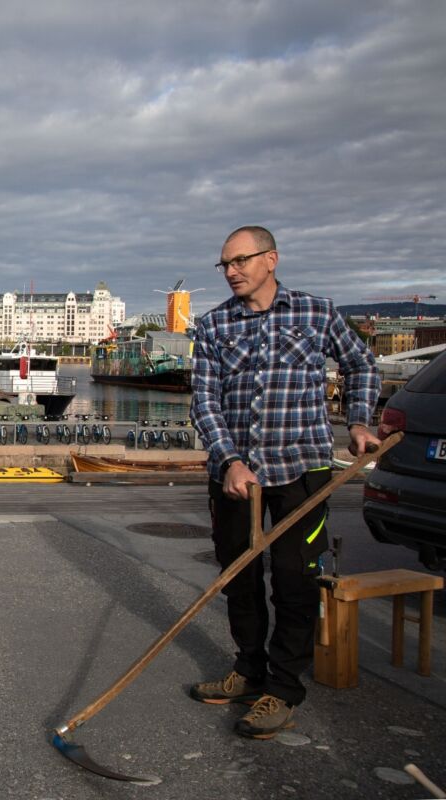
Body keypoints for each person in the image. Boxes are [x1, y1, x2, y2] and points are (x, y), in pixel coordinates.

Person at [188, 226, 380, 739]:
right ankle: (248, 670)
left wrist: (359, 421)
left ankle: (283, 686)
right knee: (238, 577)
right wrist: (228, 461)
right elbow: (204, 402)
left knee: (294, 579)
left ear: (271, 259)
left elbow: (361, 362)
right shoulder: (212, 326)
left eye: (241, 260)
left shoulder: (316, 312)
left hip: (301, 469)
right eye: (224, 264)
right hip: (235, 477)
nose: (231, 271)